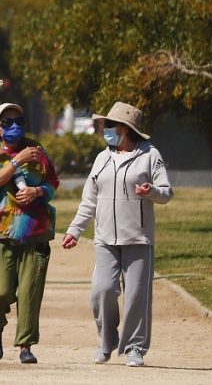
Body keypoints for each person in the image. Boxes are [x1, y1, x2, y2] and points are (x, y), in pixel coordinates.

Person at [61, 101, 172, 368]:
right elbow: (89, 200)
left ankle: (135, 347)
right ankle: (107, 341)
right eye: (105, 125)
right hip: (105, 239)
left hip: (137, 238)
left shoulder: (150, 155)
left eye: (110, 125)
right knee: (103, 290)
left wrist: (151, 191)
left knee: (136, 296)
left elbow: (166, 192)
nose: (105, 130)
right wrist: (75, 230)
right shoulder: (102, 158)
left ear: (125, 128)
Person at [0, 103, 59, 365]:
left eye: (19, 121)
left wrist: (38, 191)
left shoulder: (37, 150)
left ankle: (26, 346)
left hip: (35, 231)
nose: (14, 126)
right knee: (0, 291)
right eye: (7, 122)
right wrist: (16, 161)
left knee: (31, 292)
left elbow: (52, 182)